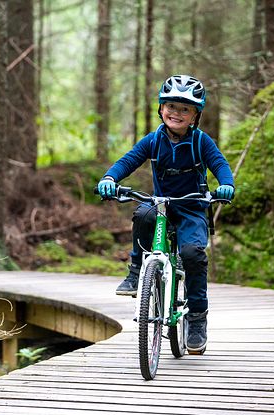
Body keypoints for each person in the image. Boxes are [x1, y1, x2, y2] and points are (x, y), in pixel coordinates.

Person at [97, 75, 235, 354]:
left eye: (185, 109)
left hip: (192, 207)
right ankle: (137, 271)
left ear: (196, 115)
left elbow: (219, 163)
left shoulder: (200, 142)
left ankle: (196, 317)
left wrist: (226, 184)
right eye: (171, 106)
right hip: (162, 206)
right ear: (160, 109)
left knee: (193, 254)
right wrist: (110, 177)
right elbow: (129, 160)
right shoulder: (153, 140)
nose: (176, 113)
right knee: (143, 214)